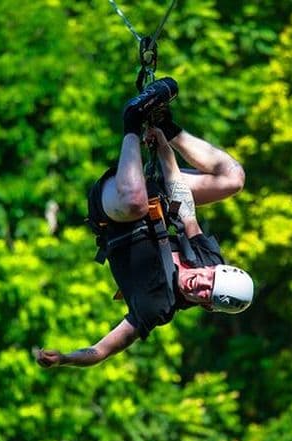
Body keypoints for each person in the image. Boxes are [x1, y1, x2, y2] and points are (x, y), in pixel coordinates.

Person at [35, 78, 253, 368]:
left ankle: (132, 123)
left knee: (136, 202)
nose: (200, 282)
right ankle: (167, 124)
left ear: (207, 306)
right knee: (233, 179)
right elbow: (183, 204)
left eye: (206, 293)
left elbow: (102, 350)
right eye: (209, 278)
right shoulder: (208, 258)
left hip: (115, 210)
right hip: (155, 196)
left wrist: (65, 358)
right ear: (216, 268)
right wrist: (164, 147)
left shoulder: (156, 306)